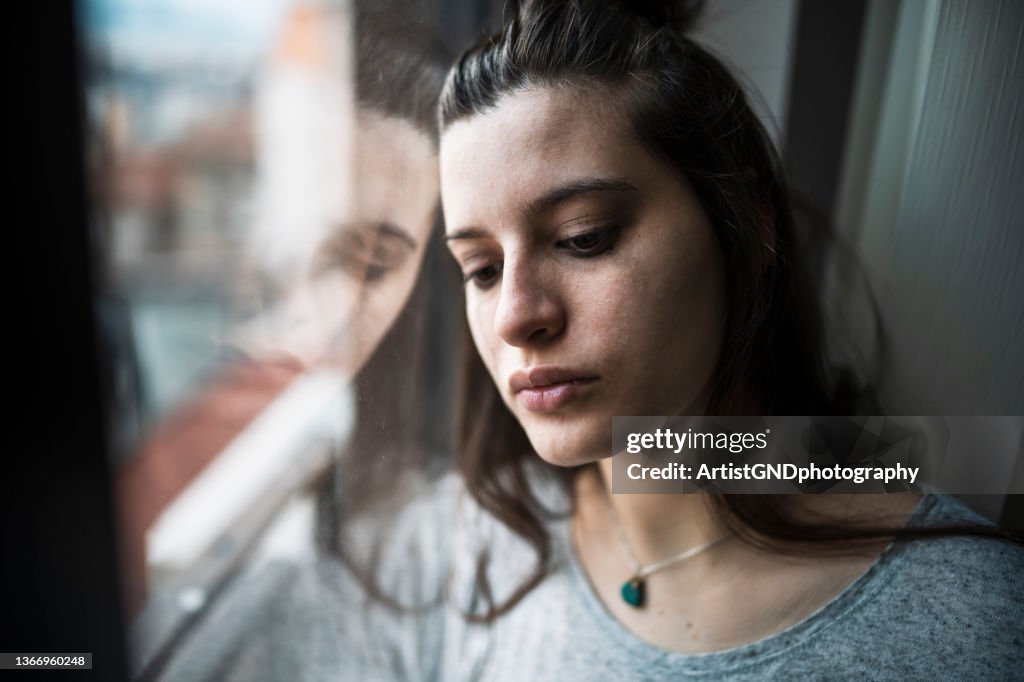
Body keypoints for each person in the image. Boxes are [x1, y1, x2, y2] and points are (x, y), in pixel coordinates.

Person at [155, 1, 1023, 680]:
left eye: (582, 238)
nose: (516, 315)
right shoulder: (473, 550)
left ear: (743, 227)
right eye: (481, 268)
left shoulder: (970, 627)